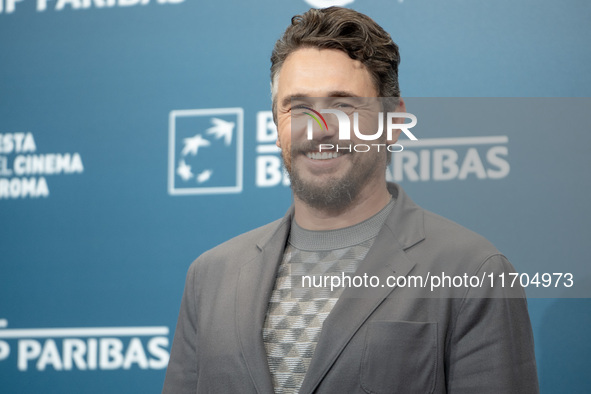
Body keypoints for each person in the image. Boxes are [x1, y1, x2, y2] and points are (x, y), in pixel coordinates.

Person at [163, 7, 539, 394]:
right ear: (276, 126)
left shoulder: (473, 271)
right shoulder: (209, 277)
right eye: (298, 107)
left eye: (343, 105)